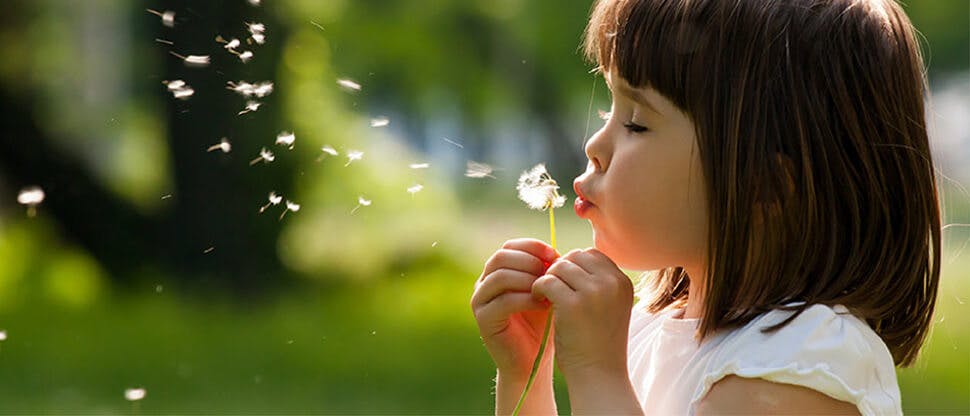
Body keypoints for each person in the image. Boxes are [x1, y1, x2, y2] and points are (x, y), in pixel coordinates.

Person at [471, 0, 941, 414]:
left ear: (767, 186)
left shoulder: (796, 366)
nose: (595, 143)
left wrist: (598, 374)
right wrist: (526, 377)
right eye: (607, 111)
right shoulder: (650, 330)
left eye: (636, 122)